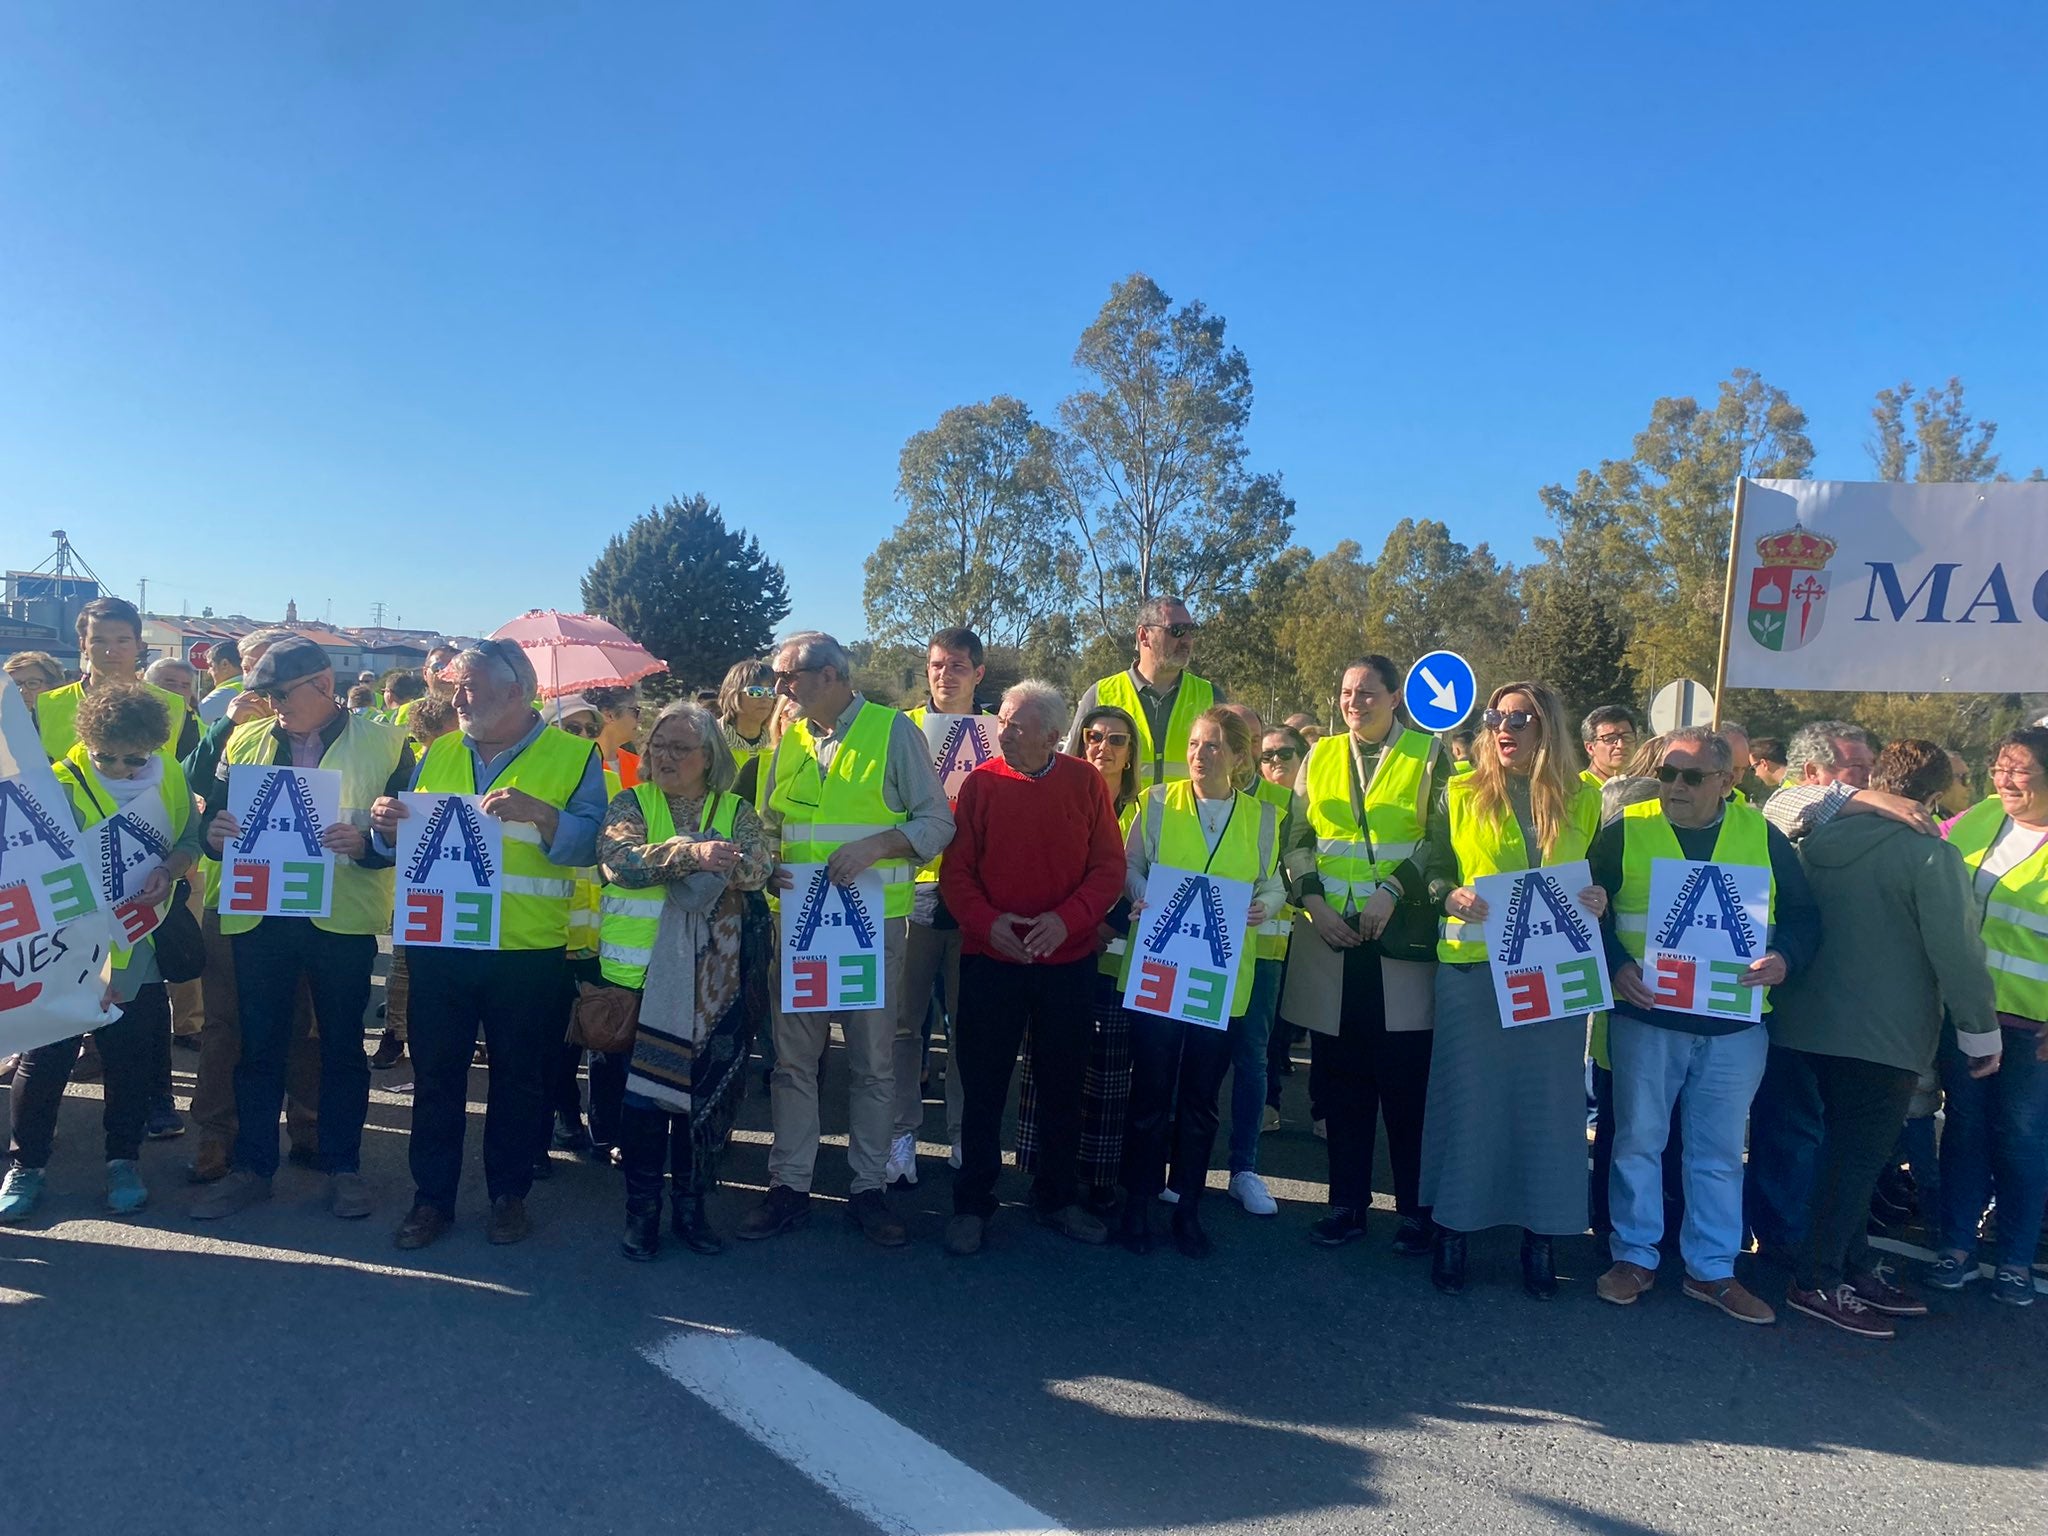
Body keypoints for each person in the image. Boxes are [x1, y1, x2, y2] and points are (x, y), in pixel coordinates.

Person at [370, 639, 606, 1248]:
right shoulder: (439, 750)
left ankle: (509, 1196)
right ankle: (431, 1200)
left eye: (470, 686)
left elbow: (599, 848)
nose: (457, 697)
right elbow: (406, 842)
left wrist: (548, 817)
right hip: (441, 945)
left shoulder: (576, 757)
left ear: (517, 692)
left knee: (520, 1079)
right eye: (456, 686)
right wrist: (386, 826)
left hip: (526, 951)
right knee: (437, 1076)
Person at [1590, 728, 1819, 1326]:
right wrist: (1614, 966)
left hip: (1733, 1026)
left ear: (1727, 781)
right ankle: (1634, 1257)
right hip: (1648, 1017)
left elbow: (1803, 916)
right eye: (1668, 774)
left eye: (1691, 777)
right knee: (1638, 1142)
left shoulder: (1761, 835)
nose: (1675, 787)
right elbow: (1585, 909)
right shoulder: (1625, 829)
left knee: (1718, 1153)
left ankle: (1712, 1269)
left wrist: (1785, 959)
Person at [1772, 740, 2001, 1336]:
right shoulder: (1931, 854)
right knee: (1856, 1161)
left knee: (1836, 1156)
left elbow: (1778, 810)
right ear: (1934, 794)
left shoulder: (1817, 842)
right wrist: (1980, 1031)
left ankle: (1845, 1265)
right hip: (1883, 1033)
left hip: (1801, 1021)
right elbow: (1957, 955)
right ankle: (1817, 1278)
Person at [188, 637, 414, 1223]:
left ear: (323, 685)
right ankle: (252, 1168)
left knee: (340, 1046)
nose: (272, 705)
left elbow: (410, 836)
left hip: (342, 919)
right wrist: (213, 837)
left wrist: (369, 845)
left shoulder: (390, 744)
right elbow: (211, 816)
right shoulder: (243, 739)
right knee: (258, 1045)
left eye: (281, 693)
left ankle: (345, 1168)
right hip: (260, 916)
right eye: (265, 694)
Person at [740, 632, 953, 1248]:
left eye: (788, 677)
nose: (778, 689)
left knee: (873, 1064)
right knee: (793, 1062)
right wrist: (766, 860)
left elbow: (938, 822)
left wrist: (876, 846)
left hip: (870, 928)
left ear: (831, 674)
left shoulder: (892, 732)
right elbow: (770, 826)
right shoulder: (791, 740)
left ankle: (868, 1191)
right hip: (801, 925)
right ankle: (789, 1187)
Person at [1422, 681, 1603, 1298]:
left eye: (1518, 718)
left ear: (1546, 728)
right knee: (1470, 1102)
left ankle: (1541, 1237)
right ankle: (1452, 1232)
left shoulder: (1587, 800)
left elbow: (1602, 876)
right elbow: (1432, 867)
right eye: (1495, 716)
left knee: (1548, 1110)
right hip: (1473, 971)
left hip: (1553, 974)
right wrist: (1448, 894)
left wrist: (1600, 897)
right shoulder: (1460, 791)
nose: (1503, 727)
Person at [0, 687, 202, 1223]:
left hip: (139, 945)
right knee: (45, 1063)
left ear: (156, 746)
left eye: (135, 758)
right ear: (84, 741)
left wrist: (172, 868)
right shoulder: (53, 786)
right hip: (65, 952)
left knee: (131, 1063)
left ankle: (123, 1161)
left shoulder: (173, 775)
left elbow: (190, 837)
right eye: (105, 756)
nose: (121, 766)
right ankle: (27, 1166)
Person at [939, 681, 1124, 1255]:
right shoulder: (980, 784)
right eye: (1002, 721)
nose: (1002, 731)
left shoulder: (1084, 782)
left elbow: (1108, 869)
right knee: (984, 1084)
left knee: (1063, 1084)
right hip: (992, 960)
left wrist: (1069, 920)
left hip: (1065, 962)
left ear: (1052, 734)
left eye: (1016, 725)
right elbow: (957, 872)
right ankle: (973, 1203)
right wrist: (986, 922)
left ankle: (1055, 1198)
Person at [1746, 719, 1936, 1261]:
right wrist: (1872, 801)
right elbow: (1788, 804)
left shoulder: (1883, 816)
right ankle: (1786, 1246)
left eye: (1871, 770)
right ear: (1814, 773)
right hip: (1781, 995)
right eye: (1857, 769)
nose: (1872, 781)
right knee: (1788, 1130)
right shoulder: (1787, 809)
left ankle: (1818, 1247)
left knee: (1826, 1141)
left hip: (1828, 1006)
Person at [597, 701, 773, 1259]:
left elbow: (757, 867)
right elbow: (618, 860)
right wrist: (692, 853)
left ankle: (693, 1209)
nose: (665, 756)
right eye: (659, 746)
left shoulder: (736, 807)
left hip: (719, 986)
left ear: (709, 757)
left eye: (680, 748)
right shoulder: (632, 801)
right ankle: (641, 1213)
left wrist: (692, 859)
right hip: (640, 978)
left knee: (708, 1103)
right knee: (645, 1104)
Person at [1285, 656, 1447, 1255]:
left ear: (1395, 696)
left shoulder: (1428, 754)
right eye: (1347, 692)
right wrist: (1313, 902)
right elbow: (1297, 839)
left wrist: (1393, 889)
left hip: (1399, 937)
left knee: (1407, 1088)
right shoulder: (1319, 756)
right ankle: (1346, 1205)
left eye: (1369, 692)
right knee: (1342, 1086)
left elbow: (1439, 838)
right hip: (1332, 937)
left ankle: (1415, 1212)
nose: (1356, 702)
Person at [1116, 707, 1284, 1258]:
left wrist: (1264, 904)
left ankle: (1188, 1207)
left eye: (1212, 746)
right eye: (1193, 743)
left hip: (1223, 975)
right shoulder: (1157, 802)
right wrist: (1141, 892)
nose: (1198, 754)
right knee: (1150, 1094)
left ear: (1238, 757)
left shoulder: (1262, 816)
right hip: (1161, 968)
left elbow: (1272, 883)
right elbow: (1130, 863)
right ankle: (1137, 1203)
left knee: (1200, 1102)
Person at [179, 628, 325, 1183]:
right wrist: (224, 726)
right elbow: (197, 790)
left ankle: (308, 1128)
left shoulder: (363, 739)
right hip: (237, 897)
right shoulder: (238, 730)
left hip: (317, 901)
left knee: (305, 1023)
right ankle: (217, 1136)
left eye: (272, 671)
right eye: (250, 669)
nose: (261, 684)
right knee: (227, 1023)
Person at [1928, 725, 2048, 1307]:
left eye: (2019, 769)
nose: (2004, 779)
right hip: (1968, 1016)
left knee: (2023, 1141)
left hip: (2033, 1031)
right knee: (1965, 1132)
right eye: (1999, 766)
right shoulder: (1979, 818)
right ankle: (1956, 1247)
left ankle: (2016, 1259)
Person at [1017, 703, 1144, 1210]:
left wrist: (1104, 927)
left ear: (1132, 754)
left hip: (1118, 956)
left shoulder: (1148, 808)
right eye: (1094, 736)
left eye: (1117, 741)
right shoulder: (1055, 793)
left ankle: (1097, 1179)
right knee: (1048, 1067)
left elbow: (1137, 877)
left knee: (1108, 1073)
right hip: (1057, 951)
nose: (1103, 748)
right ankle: (1042, 1173)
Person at [890, 626, 990, 1186]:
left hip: (977, 897)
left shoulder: (1001, 732)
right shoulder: (899, 727)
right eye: (935, 665)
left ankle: (960, 1134)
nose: (943, 675)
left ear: (978, 673)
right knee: (905, 1025)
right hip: (914, 892)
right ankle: (903, 1132)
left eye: (956, 666)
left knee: (967, 1028)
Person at [540, 695, 608, 1160]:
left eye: (590, 729)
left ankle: (602, 1128)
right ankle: (557, 1122)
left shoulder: (613, 783)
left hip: (602, 941)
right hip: (547, 936)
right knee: (552, 1044)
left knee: (602, 1038)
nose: (583, 736)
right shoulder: (535, 788)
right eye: (571, 727)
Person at [1065, 596, 1216, 788]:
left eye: (1191, 631)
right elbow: (1069, 770)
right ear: (1144, 635)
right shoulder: (1100, 694)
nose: (1186, 640)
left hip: (1187, 818)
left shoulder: (1211, 696)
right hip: (1116, 819)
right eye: (1176, 630)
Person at [35, 596, 197, 763]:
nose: (111, 651)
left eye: (122, 641)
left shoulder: (174, 706)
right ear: (83, 645)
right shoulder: (46, 705)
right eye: (99, 641)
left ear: (139, 645)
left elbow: (189, 779)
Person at [1257, 724, 1309, 1129]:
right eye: (1266, 755)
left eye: (1284, 753)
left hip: (1316, 925)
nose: (1275, 762)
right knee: (1270, 1028)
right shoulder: (1258, 805)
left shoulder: (1322, 803)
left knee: (1320, 1026)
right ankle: (1270, 1102)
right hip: (1273, 933)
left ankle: (1322, 1110)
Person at [717, 658, 777, 773]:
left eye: (771, 691)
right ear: (733, 694)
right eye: (755, 691)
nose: (765, 698)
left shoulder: (777, 743)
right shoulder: (711, 739)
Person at [585, 686, 644, 788]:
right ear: (609, 716)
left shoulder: (639, 767)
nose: (641, 719)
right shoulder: (580, 767)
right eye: (635, 711)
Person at [1580, 706, 1638, 789]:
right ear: (1590, 748)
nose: (1621, 745)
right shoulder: (1578, 789)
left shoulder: (1643, 789)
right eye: (1610, 738)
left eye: (1627, 737)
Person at [196, 638, 244, 724]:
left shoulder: (225, 693)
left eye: (211, 665)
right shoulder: (256, 688)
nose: (208, 672)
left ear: (224, 664)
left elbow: (196, 719)